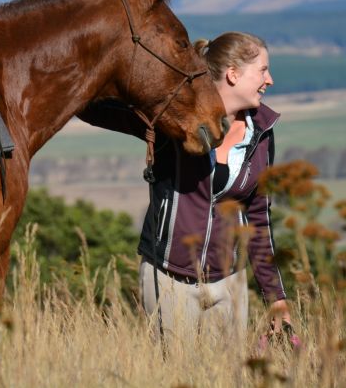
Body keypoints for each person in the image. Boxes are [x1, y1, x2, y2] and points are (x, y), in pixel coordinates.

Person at [77, 31, 292, 345]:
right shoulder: (173, 118)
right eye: (262, 70)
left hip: (230, 281)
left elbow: (258, 218)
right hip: (168, 278)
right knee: (176, 374)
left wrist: (276, 297)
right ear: (233, 74)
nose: (270, 79)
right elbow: (97, 108)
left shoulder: (262, 132)